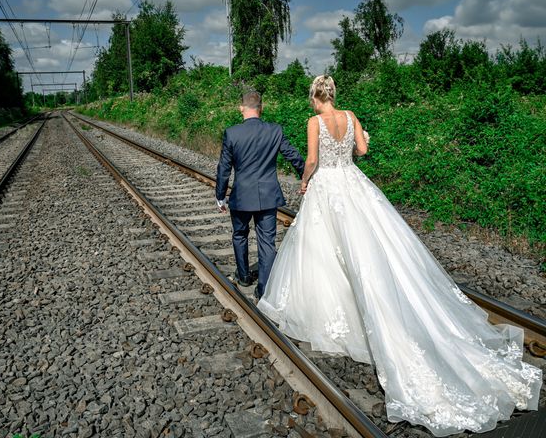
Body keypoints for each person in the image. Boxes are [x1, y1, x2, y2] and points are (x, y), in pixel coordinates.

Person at [257, 75, 542, 436]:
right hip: (353, 184)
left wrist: (305, 180)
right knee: (368, 248)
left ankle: (332, 312)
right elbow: (362, 152)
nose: (312, 105)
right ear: (333, 95)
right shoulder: (350, 115)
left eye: (311, 99)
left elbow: (311, 159)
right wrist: (359, 141)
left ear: (316, 96)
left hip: (328, 186)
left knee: (325, 252)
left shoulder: (315, 122)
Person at [216, 90, 305, 299]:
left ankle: (244, 276)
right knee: (267, 241)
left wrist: (220, 195)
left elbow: (224, 168)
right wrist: (306, 176)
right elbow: (293, 156)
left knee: (240, 235)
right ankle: (265, 288)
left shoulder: (232, 133)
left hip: (241, 196)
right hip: (268, 195)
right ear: (261, 108)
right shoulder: (275, 130)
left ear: (241, 108)